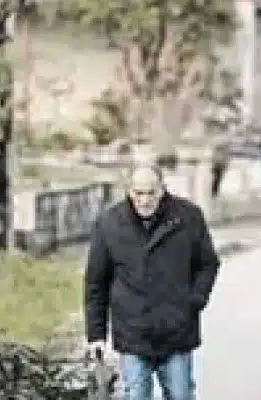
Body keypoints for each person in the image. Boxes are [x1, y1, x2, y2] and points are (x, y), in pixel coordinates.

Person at [84, 162, 221, 400]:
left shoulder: (187, 217)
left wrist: (194, 300)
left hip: (176, 331)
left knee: (180, 395)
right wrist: (96, 335)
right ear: (129, 191)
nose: (145, 200)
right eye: (138, 193)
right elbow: (96, 282)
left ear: (162, 189)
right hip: (132, 332)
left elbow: (208, 264)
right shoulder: (109, 223)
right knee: (136, 394)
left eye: (151, 193)